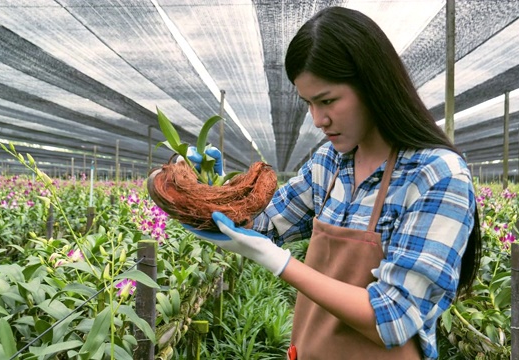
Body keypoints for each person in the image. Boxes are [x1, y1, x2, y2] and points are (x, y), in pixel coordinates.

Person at [181, 6, 482, 360]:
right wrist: (206, 189)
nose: (318, 119)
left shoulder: (436, 175)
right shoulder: (329, 164)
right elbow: (257, 225)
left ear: (374, 85)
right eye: (308, 103)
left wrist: (282, 264)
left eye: (327, 101)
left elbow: (393, 317)